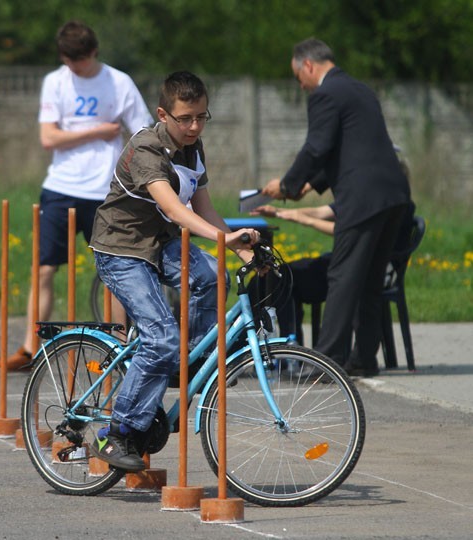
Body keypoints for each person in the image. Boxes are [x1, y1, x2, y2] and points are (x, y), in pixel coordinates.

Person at [87, 71, 259, 470]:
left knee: (212, 276)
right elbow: (172, 208)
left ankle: (190, 362)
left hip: (160, 244)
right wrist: (224, 241)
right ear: (164, 114)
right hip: (121, 248)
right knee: (162, 337)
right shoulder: (146, 147)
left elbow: (204, 208)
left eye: (202, 116)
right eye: (186, 118)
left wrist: (243, 253)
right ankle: (116, 433)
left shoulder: (194, 149)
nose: (195, 126)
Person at [0, 20, 153, 371]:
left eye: (80, 60)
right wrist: (100, 131)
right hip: (62, 188)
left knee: (115, 271)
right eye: (68, 61)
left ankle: (116, 348)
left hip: (107, 191)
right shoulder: (55, 81)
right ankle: (30, 349)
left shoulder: (119, 82)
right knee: (44, 269)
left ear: (93, 52)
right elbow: (49, 138)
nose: (74, 67)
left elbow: (142, 134)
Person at [261, 38, 411, 377]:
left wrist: (286, 186)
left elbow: (317, 147)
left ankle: (325, 362)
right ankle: (363, 360)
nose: (300, 86)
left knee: (341, 277)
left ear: (309, 66)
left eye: (299, 77)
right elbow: (347, 150)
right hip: (393, 196)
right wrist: (306, 187)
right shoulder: (360, 90)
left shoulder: (325, 95)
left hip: (363, 198)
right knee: (369, 279)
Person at [250, 199, 415, 346]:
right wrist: (279, 212)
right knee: (271, 276)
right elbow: (321, 212)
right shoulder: (366, 194)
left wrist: (305, 220)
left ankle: (288, 350)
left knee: (280, 278)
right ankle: (286, 348)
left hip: (360, 270)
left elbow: (351, 233)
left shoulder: (391, 203)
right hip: (343, 261)